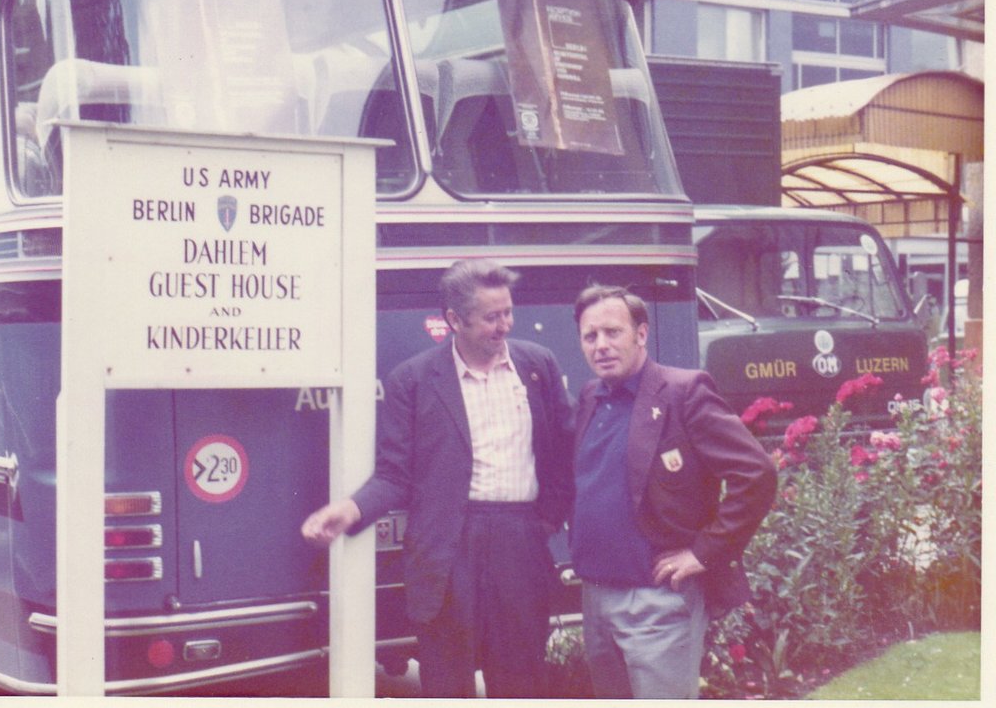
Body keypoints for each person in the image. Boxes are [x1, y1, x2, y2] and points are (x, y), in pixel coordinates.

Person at [301, 259, 573, 698]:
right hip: (447, 548)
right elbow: (394, 474)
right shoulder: (413, 379)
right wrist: (349, 510)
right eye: (491, 317)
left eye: (508, 312)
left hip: (520, 542)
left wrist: (547, 518)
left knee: (522, 678)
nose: (505, 325)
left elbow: (564, 451)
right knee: (447, 682)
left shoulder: (537, 366)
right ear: (453, 320)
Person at [569, 284, 776, 699]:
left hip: (657, 603)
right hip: (596, 600)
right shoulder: (592, 396)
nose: (602, 346)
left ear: (641, 334)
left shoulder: (684, 393)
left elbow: (756, 474)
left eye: (613, 332)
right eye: (591, 336)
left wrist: (704, 551)